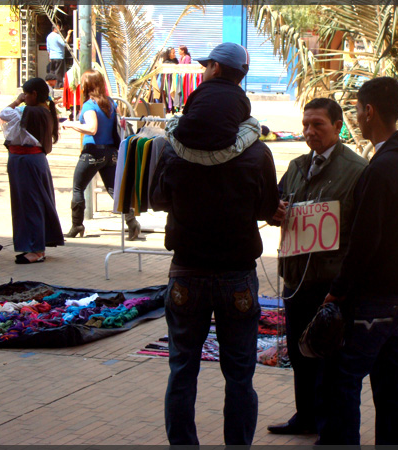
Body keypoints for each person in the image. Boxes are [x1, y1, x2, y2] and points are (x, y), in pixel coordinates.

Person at [149, 42, 280, 446]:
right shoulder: (256, 152)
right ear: (240, 78)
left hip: (186, 271)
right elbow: (267, 208)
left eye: (206, 66)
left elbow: (156, 200)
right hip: (236, 277)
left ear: (212, 71)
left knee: (182, 369)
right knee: (239, 373)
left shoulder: (172, 146)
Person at [320, 77, 398, 445]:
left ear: (369, 111)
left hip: (376, 296)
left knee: (344, 377)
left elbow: (364, 243)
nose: (356, 118)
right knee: (391, 379)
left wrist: (337, 292)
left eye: (356, 111)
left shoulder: (382, 169)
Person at [266, 98, 368, 436]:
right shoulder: (296, 166)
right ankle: (305, 416)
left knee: (329, 358)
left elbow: (362, 231)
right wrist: (274, 210)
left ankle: (330, 428)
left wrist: (343, 285)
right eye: (306, 124)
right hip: (296, 280)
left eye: (318, 125)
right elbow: (275, 202)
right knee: (300, 352)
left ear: (337, 126)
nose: (310, 131)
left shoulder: (356, 170)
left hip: (330, 283)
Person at [61, 69, 140, 240]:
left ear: (87, 85)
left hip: (92, 152)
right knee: (114, 190)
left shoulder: (90, 105)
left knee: (77, 188)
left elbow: (91, 128)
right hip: (110, 153)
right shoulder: (111, 103)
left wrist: (70, 124)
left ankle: (77, 225)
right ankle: (131, 221)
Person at [0, 78, 65, 264]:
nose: (24, 97)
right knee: (35, 202)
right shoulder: (44, 110)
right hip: (32, 160)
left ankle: (36, 249)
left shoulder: (29, 110)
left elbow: (4, 113)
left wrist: (17, 100)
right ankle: (36, 247)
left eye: (26, 94)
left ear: (34, 94)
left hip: (26, 161)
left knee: (30, 204)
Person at [46, 24, 73, 88]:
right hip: (59, 56)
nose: (60, 30)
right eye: (58, 29)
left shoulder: (48, 36)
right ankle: (58, 86)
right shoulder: (57, 36)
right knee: (59, 72)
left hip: (52, 57)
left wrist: (49, 56)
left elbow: (48, 48)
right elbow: (64, 43)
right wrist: (68, 34)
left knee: (52, 72)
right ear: (55, 29)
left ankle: (51, 85)